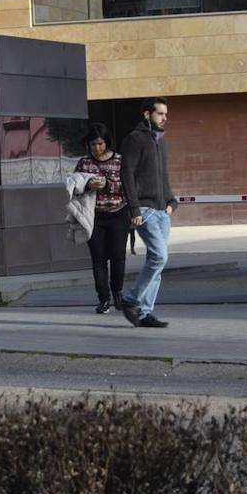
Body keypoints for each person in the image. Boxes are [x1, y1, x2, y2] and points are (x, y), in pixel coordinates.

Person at [118, 97, 177, 328]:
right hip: (144, 209)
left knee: (158, 263)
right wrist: (133, 208)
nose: (164, 118)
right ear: (146, 114)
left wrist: (172, 201)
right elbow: (127, 175)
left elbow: (163, 176)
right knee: (159, 256)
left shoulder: (162, 142)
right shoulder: (135, 139)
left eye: (166, 115)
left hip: (163, 210)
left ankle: (144, 313)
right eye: (160, 114)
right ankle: (130, 299)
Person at [73, 123, 130, 314]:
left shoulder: (120, 161)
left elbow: (129, 186)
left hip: (118, 213)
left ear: (106, 142)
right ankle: (103, 298)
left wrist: (107, 184)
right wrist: (89, 185)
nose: (97, 148)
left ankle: (118, 294)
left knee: (118, 256)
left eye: (100, 144)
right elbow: (74, 187)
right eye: (93, 144)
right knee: (98, 259)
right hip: (94, 216)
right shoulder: (84, 163)